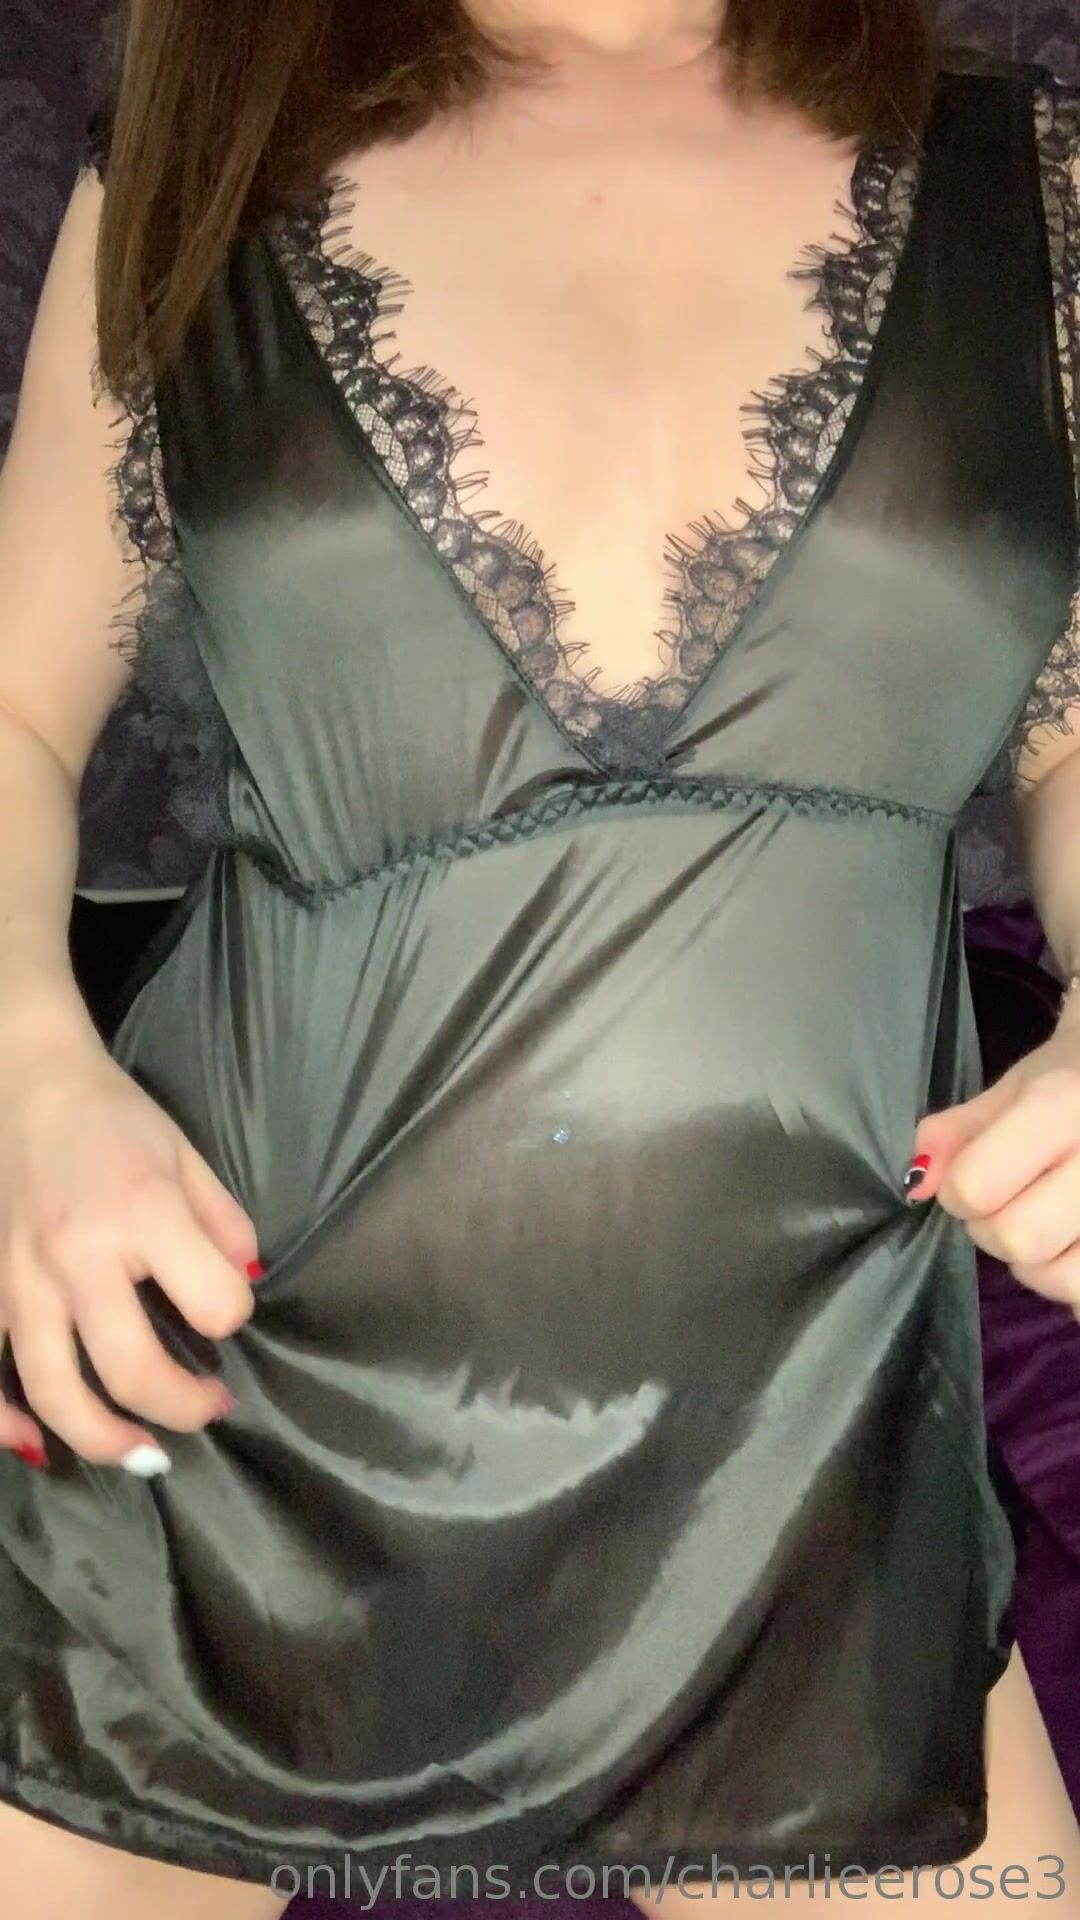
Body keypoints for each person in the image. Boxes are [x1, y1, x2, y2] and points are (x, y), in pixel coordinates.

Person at [2, 0, 1080, 1912]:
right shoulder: (194, 168)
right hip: (204, 1412)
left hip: (800, 1466)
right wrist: (26, 1077)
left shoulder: (1030, 185)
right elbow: (12, 709)